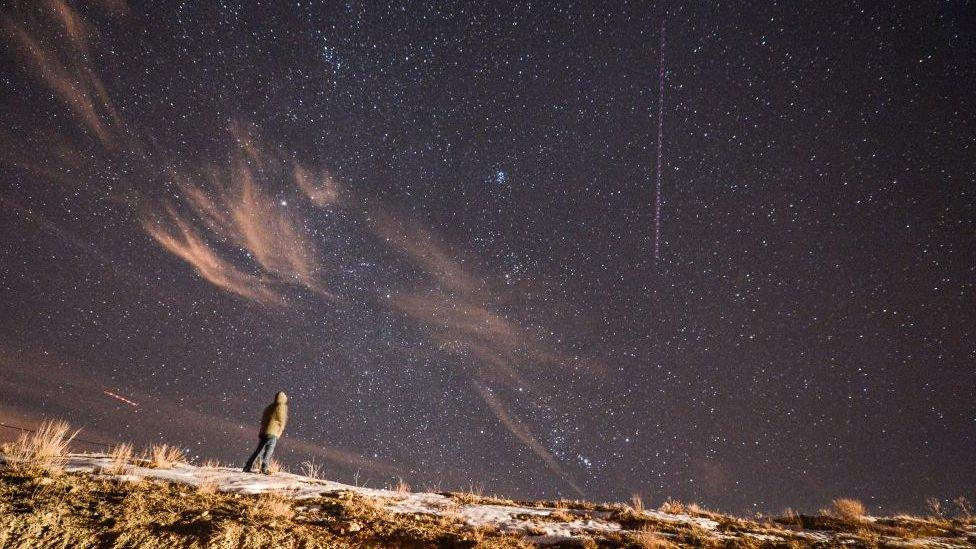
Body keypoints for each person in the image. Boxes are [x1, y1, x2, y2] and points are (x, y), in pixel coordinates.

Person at [243, 391, 288, 474]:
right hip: (272, 432)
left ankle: (248, 466)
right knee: (268, 452)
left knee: (259, 451)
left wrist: (261, 431)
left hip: (264, 432)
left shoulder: (269, 407)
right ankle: (264, 469)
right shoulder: (281, 406)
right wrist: (280, 431)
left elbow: (263, 420)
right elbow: (282, 420)